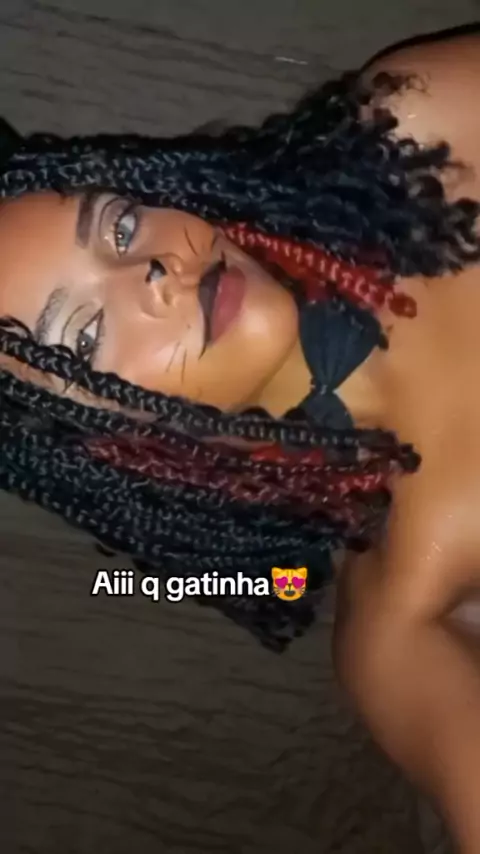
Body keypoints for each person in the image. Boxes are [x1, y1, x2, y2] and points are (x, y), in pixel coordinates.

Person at [0, 23, 480, 849]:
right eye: (83, 336)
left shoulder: (422, 126)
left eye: (119, 228)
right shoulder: (396, 623)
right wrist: (166, 581)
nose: (151, 274)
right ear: (111, 444)